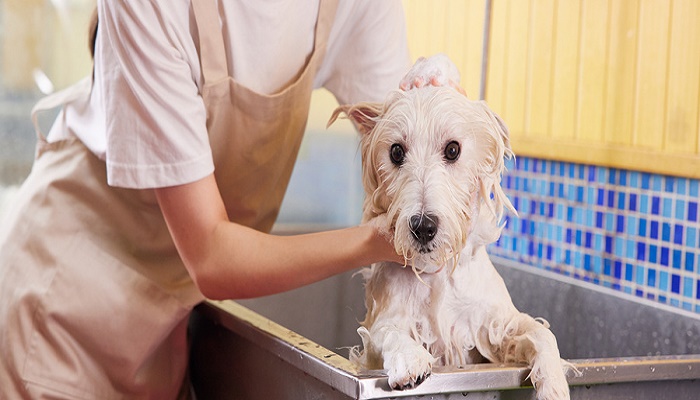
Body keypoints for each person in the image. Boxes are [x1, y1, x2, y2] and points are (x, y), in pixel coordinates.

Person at [0, 1, 454, 398]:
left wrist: (449, 128)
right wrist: (376, 240)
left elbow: (403, 145)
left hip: (166, 324)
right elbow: (212, 256)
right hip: (62, 318)